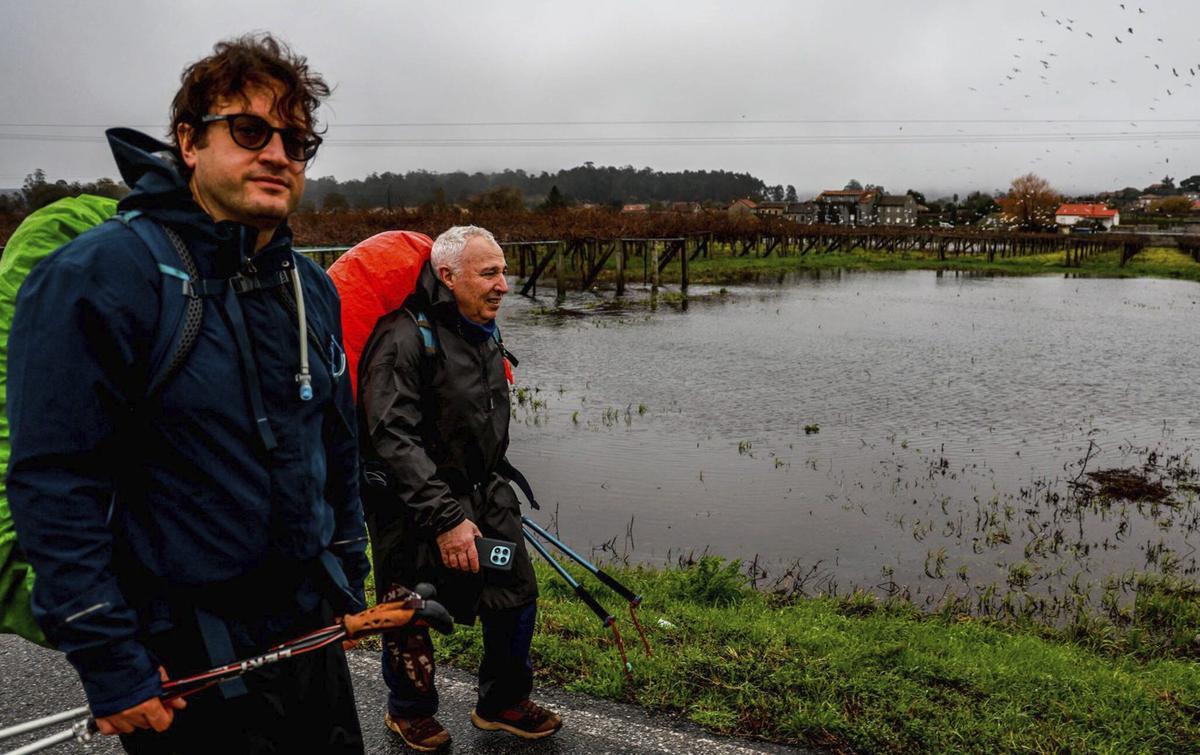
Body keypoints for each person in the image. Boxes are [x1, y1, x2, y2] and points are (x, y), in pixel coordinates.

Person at [6, 34, 369, 754]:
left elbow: (338, 445)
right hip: (183, 662)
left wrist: (347, 574)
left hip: (307, 640)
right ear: (188, 141)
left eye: (296, 141)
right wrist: (112, 663)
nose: (276, 153)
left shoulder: (311, 289)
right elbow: (54, 482)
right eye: (249, 129)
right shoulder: (100, 277)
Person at [358, 225, 562, 751]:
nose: (503, 285)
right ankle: (409, 710)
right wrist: (445, 518)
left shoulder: (483, 329)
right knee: (410, 607)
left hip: (486, 491)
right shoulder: (404, 337)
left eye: (503, 271)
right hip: (413, 502)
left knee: (514, 592)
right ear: (448, 276)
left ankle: (501, 702)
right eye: (489, 273)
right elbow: (391, 437)